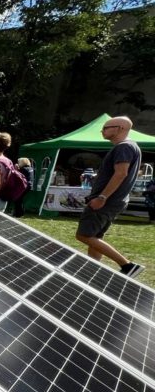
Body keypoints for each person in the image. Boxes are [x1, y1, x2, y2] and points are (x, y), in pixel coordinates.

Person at [75, 116, 144, 277]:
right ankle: (93, 269)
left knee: (83, 235)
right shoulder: (131, 146)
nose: (102, 131)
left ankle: (127, 266)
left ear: (120, 128)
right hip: (115, 201)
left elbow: (121, 173)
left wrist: (102, 197)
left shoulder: (124, 147)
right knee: (95, 235)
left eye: (106, 127)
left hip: (106, 201)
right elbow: (118, 173)